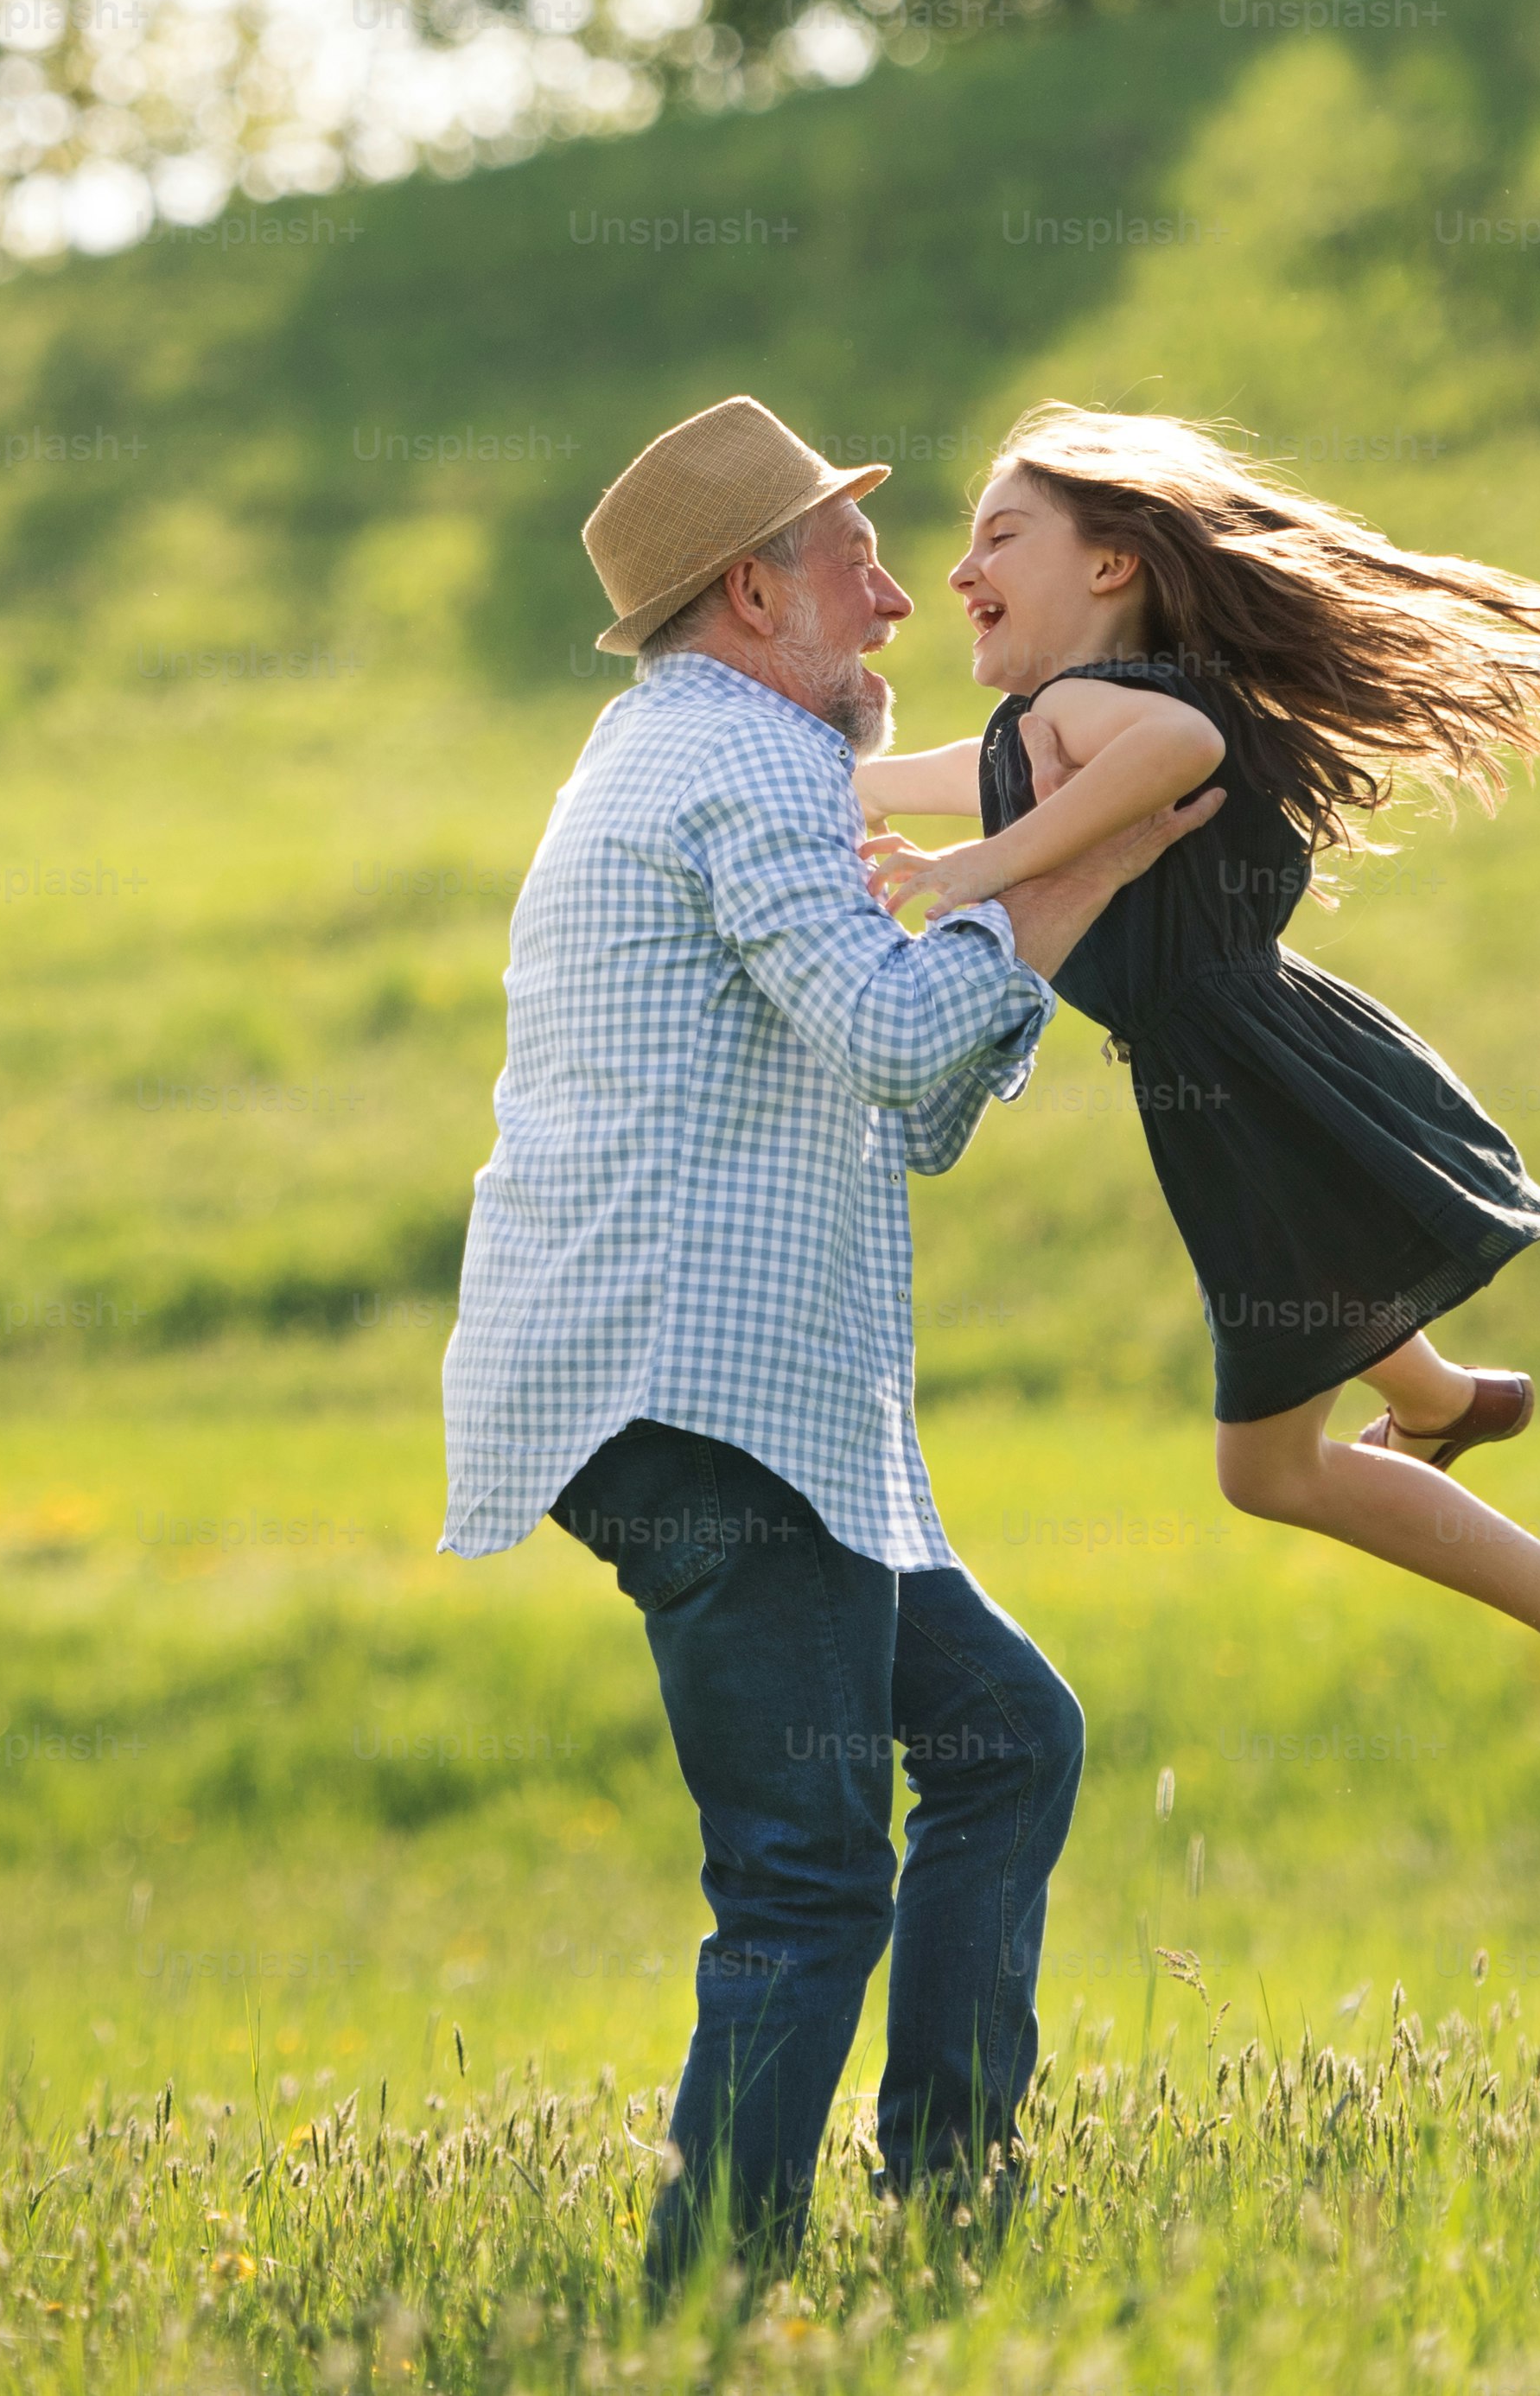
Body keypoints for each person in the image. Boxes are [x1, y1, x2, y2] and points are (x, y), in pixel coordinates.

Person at [442, 396, 1221, 2296]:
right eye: (851, 562)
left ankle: (944, 2205)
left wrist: (1027, 900)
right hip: (693, 1396)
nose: (895, 601)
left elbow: (902, 1100)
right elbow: (895, 1043)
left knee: (1000, 1735)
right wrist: (1066, 871)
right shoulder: (749, 764)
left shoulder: (694, 750)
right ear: (749, 593)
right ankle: (708, 2292)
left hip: (719, 1401)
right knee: (800, 1871)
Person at [853, 405, 1540, 1781]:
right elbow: (950, 778)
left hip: (1247, 1078)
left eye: (999, 536)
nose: (959, 571)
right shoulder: (1051, 723)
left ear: (1111, 566)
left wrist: (975, 874)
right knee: (1292, 1397)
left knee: (1270, 1472)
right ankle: (1443, 1400)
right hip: (1253, 1064)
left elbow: (1176, 763)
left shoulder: (1097, 708)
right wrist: (803, 780)